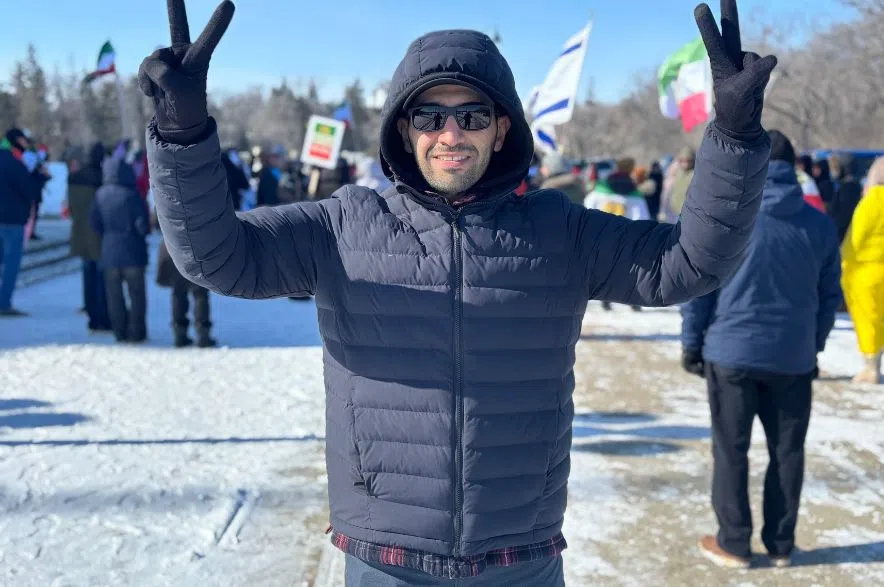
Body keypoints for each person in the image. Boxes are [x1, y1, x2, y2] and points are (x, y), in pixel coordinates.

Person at [139, 1, 776, 583]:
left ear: (501, 129)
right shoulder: (344, 225)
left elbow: (689, 263)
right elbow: (216, 257)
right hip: (386, 558)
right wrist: (183, 135)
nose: (450, 134)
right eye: (430, 116)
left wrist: (735, 137)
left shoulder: (561, 232)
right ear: (404, 129)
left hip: (518, 557)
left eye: (471, 115)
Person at [680, 130, 841, 569]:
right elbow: (830, 297)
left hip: (731, 352)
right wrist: (813, 345)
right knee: (787, 453)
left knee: (731, 450)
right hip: (792, 357)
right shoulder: (819, 224)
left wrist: (691, 343)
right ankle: (781, 543)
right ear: (797, 167)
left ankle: (734, 542)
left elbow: (699, 288)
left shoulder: (728, 219)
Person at [89, 157, 150, 343]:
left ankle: (119, 331)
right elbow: (143, 226)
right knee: (137, 295)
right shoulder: (133, 195)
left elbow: (93, 223)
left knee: (114, 296)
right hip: (133, 253)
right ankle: (136, 331)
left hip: (109, 252)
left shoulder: (100, 195)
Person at [584, 157, 650, 312]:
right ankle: (634, 300)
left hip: (602, 235)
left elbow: (587, 207)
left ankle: (605, 298)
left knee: (604, 267)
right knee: (630, 269)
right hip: (626, 238)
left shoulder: (600, 190)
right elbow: (642, 217)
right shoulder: (635, 194)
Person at [840, 156, 884, 384]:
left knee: (867, 319)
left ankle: (871, 368)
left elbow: (854, 240)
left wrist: (842, 264)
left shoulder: (870, 203)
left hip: (864, 271)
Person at [67, 142, 112, 332]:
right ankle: (102, 316)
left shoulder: (73, 178)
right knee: (101, 277)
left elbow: (71, 207)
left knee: (87, 272)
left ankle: (90, 311)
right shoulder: (100, 178)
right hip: (98, 235)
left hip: (79, 231)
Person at [0, 128, 39, 316]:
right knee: (11, 264)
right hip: (12, 219)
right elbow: (27, 189)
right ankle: (4, 303)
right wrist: (39, 178)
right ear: (16, 140)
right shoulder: (15, 163)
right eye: (24, 140)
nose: (26, 144)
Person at [155, 238, 217, 348]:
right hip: (197, 249)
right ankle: (203, 334)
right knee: (200, 294)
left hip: (175, 247)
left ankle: (179, 334)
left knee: (178, 293)